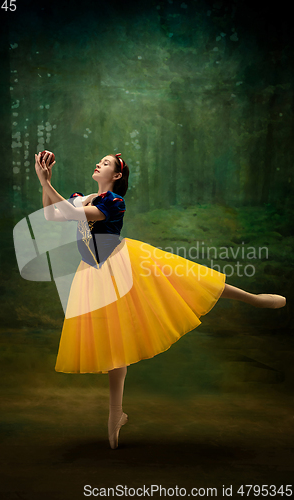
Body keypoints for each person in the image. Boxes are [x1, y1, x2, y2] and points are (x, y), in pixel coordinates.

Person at [34, 150, 286, 450]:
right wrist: (43, 182)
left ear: (116, 176)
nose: (99, 163)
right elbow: (51, 214)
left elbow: (73, 214)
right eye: (99, 161)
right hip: (93, 274)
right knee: (115, 344)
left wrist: (47, 184)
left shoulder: (114, 202)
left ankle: (253, 299)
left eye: (106, 163)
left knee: (190, 279)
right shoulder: (84, 196)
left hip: (124, 264)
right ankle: (115, 415)